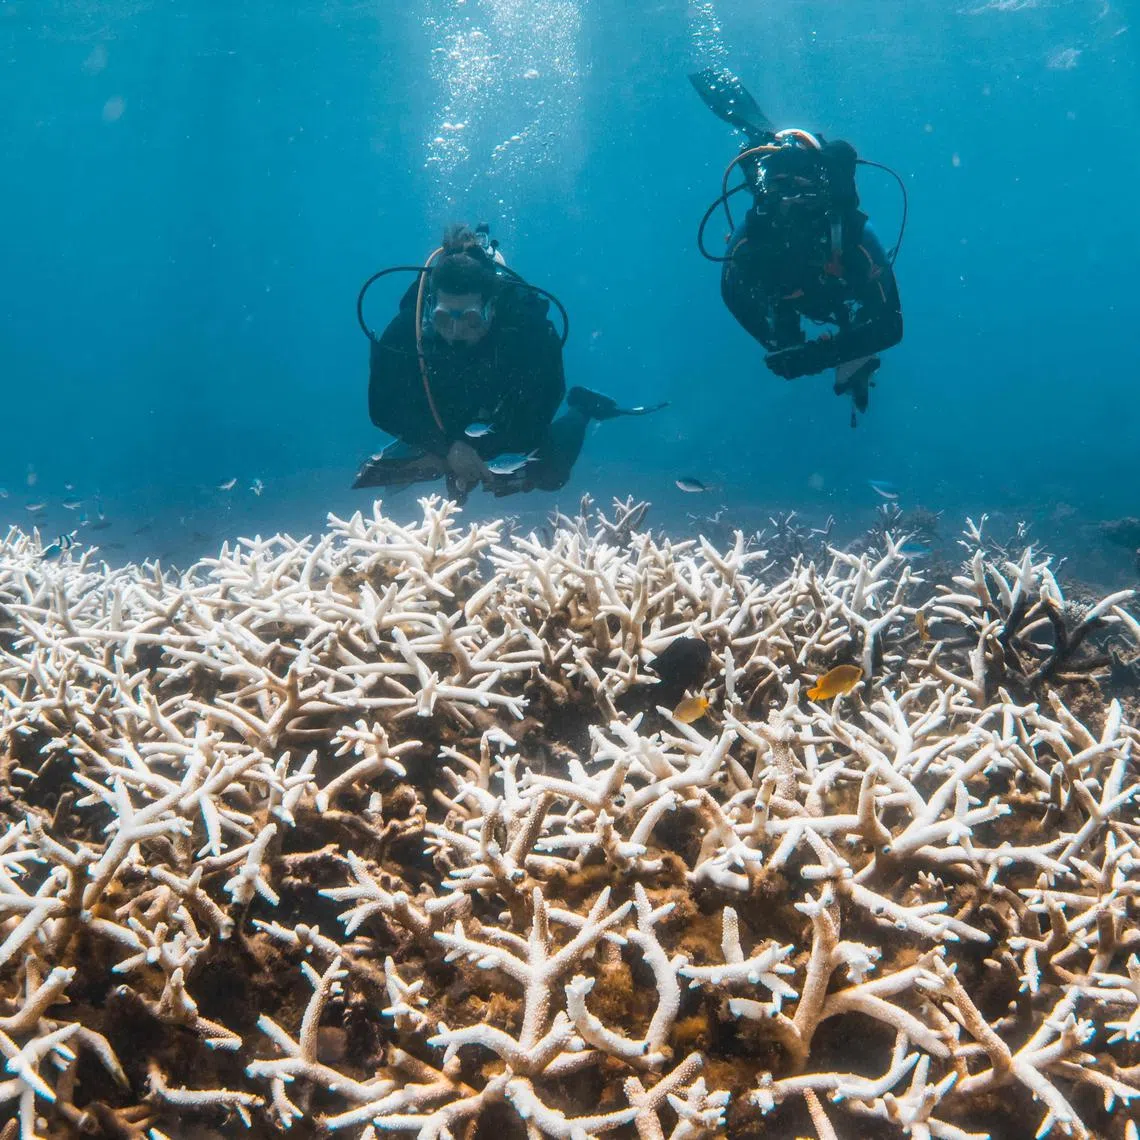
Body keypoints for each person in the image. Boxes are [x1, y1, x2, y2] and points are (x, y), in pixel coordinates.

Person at [354, 224, 664, 502]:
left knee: (552, 475)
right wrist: (448, 448)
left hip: (505, 419)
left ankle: (582, 409)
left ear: (492, 307)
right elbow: (382, 407)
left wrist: (485, 453)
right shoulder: (409, 328)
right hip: (438, 419)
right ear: (432, 306)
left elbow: (542, 406)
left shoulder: (528, 331)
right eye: (444, 318)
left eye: (472, 320)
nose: (455, 332)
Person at [690, 68, 905, 424]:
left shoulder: (853, 236)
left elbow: (891, 325)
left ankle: (853, 364)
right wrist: (778, 345)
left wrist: (819, 356)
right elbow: (734, 294)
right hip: (787, 298)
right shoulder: (752, 236)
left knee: (862, 329)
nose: (790, 202)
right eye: (780, 190)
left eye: (800, 190)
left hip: (842, 296)